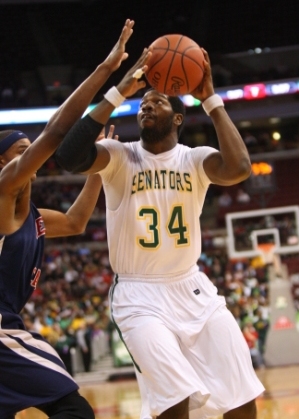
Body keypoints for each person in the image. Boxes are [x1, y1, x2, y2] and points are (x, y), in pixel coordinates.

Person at [55, 46, 265, 419]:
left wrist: (211, 100)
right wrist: (119, 91)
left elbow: (240, 168)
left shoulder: (194, 158)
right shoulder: (118, 156)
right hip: (138, 295)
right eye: (143, 103)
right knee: (173, 406)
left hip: (192, 287)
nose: (147, 106)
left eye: (158, 102)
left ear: (179, 118)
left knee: (242, 401)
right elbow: (70, 157)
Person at [0, 18, 146, 419]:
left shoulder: (31, 214)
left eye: (29, 150)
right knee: (73, 408)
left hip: (7, 323)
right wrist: (109, 75)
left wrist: (101, 170)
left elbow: (77, 221)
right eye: (21, 151)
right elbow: (55, 131)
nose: (31, 156)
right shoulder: (2, 190)